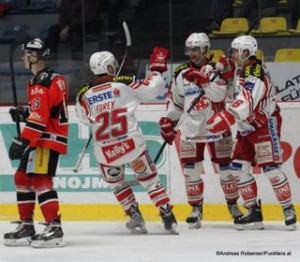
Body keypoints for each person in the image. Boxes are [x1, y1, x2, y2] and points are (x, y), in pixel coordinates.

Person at [75, 47, 178, 234]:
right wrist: (157, 70)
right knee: (149, 179)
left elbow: (83, 118)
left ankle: (134, 216)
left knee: (118, 184)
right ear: (110, 67)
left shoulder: (83, 94)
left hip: (106, 151)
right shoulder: (125, 83)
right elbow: (154, 89)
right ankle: (166, 214)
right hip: (131, 145)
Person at [206, 35, 297, 231]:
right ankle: (254, 212)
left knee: (271, 168)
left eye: (235, 51)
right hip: (246, 126)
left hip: (264, 123)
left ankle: (288, 209)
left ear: (246, 52)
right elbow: (233, 93)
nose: (232, 54)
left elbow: (247, 99)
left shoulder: (255, 70)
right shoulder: (242, 69)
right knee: (237, 168)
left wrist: (227, 117)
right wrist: (219, 75)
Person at [159, 32, 243, 229]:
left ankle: (233, 206)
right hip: (190, 128)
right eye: (189, 49)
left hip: (216, 125)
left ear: (205, 48)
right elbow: (177, 102)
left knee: (226, 171)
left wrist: (204, 81)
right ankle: (196, 209)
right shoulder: (181, 73)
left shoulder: (217, 69)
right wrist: (168, 121)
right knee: (190, 171)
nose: (191, 53)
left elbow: (220, 95)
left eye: (195, 49)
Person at [4, 38, 69, 247]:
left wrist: (23, 139)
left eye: (26, 53)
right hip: (43, 137)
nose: (23, 57)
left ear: (34, 56)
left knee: (41, 179)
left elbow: (40, 119)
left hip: (47, 139)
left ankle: (54, 228)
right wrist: (25, 113)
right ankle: (26, 225)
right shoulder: (49, 78)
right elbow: (46, 111)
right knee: (22, 176)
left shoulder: (41, 82)